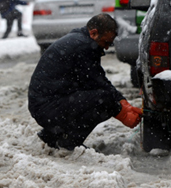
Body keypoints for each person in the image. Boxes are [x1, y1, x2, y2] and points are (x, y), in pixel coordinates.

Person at [28, 13, 143, 150]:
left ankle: (52, 136)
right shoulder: (84, 47)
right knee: (103, 101)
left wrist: (123, 102)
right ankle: (68, 142)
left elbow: (98, 80)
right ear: (94, 33)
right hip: (47, 108)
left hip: (43, 106)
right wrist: (122, 112)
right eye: (106, 42)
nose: (107, 48)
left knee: (98, 97)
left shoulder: (80, 39)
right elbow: (99, 85)